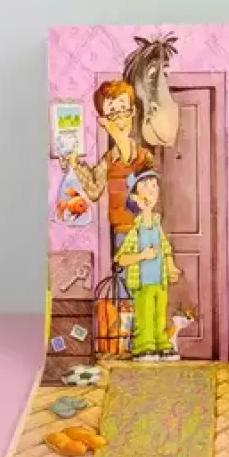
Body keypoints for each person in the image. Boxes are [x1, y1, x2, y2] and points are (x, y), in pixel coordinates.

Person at [67, 80, 156, 251]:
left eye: (124, 109)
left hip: (147, 227)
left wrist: (112, 129)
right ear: (103, 120)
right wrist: (75, 164)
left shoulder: (144, 156)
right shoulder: (108, 160)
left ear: (133, 111)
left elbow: (134, 162)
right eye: (113, 113)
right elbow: (94, 191)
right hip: (122, 232)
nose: (120, 119)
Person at [114, 170, 181, 362]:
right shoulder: (135, 230)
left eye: (154, 185)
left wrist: (171, 266)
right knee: (145, 315)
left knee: (160, 315)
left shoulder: (157, 226)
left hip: (160, 282)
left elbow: (166, 249)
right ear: (135, 198)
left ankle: (161, 343)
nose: (152, 190)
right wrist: (142, 256)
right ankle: (144, 346)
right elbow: (121, 259)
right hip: (142, 283)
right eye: (146, 186)